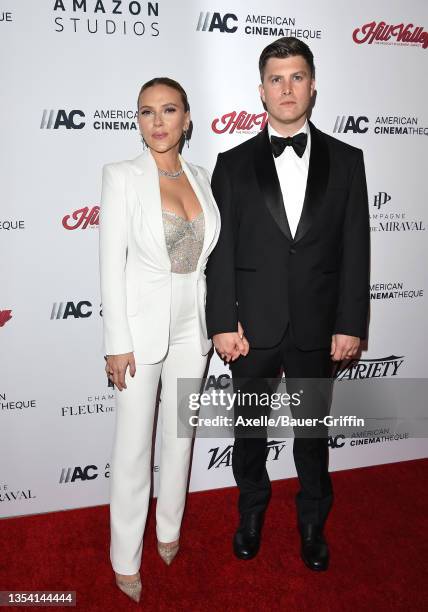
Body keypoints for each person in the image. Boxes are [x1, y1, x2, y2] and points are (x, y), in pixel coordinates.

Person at [206, 37, 370, 571]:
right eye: (276, 78)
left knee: (312, 437)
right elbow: (220, 252)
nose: (287, 88)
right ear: (261, 90)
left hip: (318, 329)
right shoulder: (231, 164)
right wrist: (221, 323)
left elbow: (355, 247)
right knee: (249, 435)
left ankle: (311, 526)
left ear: (313, 84)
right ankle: (249, 515)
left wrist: (349, 322)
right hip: (250, 330)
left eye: (297, 76)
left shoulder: (348, 161)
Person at [99, 77, 220, 602]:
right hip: (140, 329)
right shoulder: (121, 176)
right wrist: (116, 341)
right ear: (138, 120)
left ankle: (168, 529)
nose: (158, 121)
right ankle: (125, 556)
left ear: (186, 118)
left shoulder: (201, 176)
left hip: (193, 326)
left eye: (168, 110)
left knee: (180, 437)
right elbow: (109, 265)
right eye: (147, 111)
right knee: (131, 448)